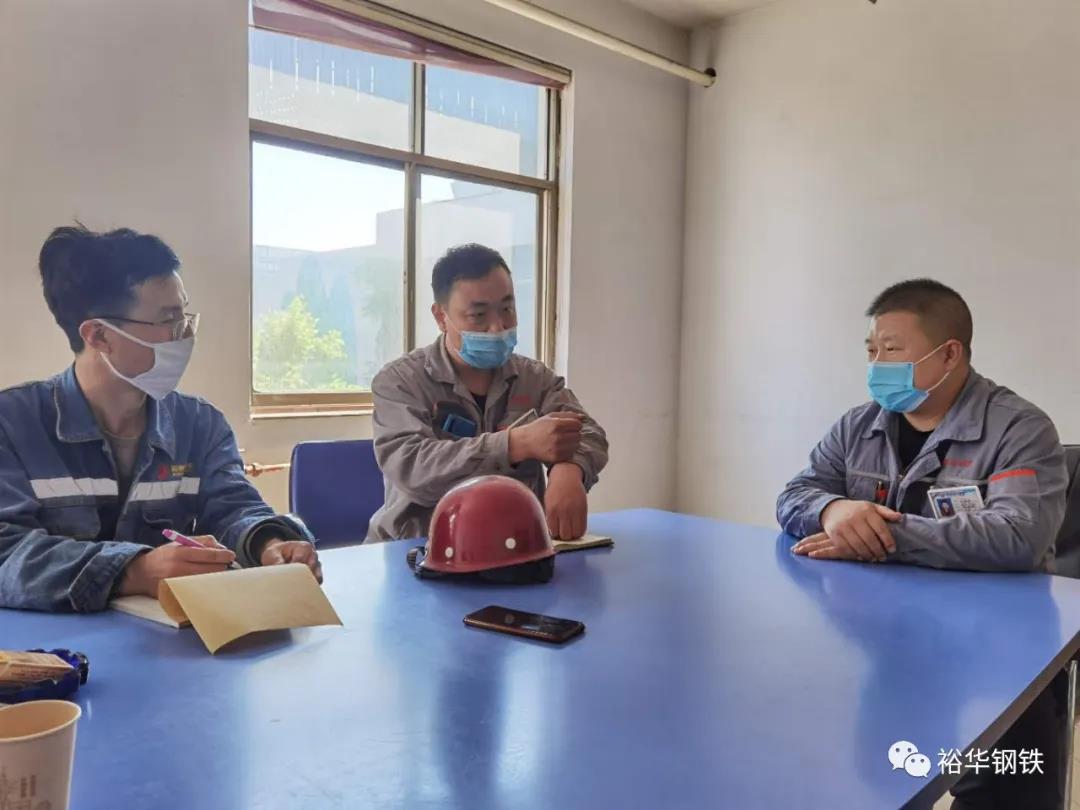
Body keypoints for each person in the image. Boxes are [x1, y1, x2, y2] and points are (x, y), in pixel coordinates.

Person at [776, 279, 1068, 809]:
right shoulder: (858, 425)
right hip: (885, 641)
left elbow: (1019, 535)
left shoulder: (1019, 429)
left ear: (949, 355)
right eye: (871, 350)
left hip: (998, 651)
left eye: (892, 349)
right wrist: (833, 509)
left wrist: (883, 535)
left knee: (1007, 791)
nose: (876, 364)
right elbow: (796, 493)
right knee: (880, 779)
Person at [0, 225, 321, 613]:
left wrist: (268, 543)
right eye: (168, 320)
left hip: (167, 639)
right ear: (99, 335)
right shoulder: (13, 425)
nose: (185, 335)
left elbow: (233, 506)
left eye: (185, 315)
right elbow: (6, 551)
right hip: (46, 645)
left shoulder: (200, 425)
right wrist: (134, 570)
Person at [367, 243, 608, 542]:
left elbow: (589, 432)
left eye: (507, 309)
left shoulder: (535, 379)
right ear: (441, 317)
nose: (497, 328)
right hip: (415, 548)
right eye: (478, 315)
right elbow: (413, 468)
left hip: (511, 545)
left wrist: (570, 467)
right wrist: (515, 444)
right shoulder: (400, 381)